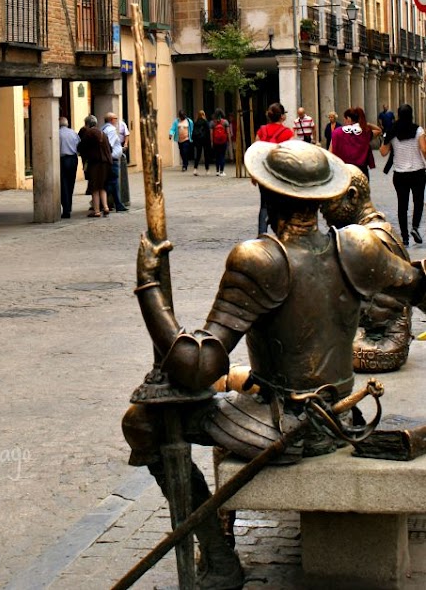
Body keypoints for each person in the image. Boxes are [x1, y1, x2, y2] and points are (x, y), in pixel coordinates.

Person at [123, 140, 426, 590]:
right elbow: (419, 286)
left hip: (286, 426)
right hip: (344, 413)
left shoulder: (261, 259)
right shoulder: (359, 247)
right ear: (325, 198)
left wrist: (149, 286)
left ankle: (221, 559)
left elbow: (197, 366)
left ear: (266, 193)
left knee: (143, 422)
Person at [322, 165, 413, 373]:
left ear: (352, 196)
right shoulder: (374, 230)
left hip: (381, 348)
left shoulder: (367, 239)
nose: (323, 210)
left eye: (329, 202)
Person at [380, 103, 426, 247]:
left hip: (400, 174)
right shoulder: (418, 130)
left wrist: (386, 137)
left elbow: (383, 152)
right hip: (418, 172)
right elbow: (424, 149)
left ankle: (405, 237)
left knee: (402, 205)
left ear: (398, 115)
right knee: (418, 202)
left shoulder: (392, 131)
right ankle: (415, 227)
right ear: (411, 114)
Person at [253, 102, 293, 234]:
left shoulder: (261, 131)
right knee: (282, 204)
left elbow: (255, 153)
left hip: (264, 174)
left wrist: (253, 174)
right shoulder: (287, 133)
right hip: (280, 175)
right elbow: (291, 156)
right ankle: (282, 234)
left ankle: (262, 234)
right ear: (282, 117)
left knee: (264, 204)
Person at [330, 106, 381, 179]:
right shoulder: (365, 132)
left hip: (344, 170)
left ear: (349, 119)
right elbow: (379, 130)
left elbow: (330, 152)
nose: (344, 121)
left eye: (345, 118)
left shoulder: (337, 132)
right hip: (361, 171)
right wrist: (367, 124)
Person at [78, 115, 112, 218]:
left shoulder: (88, 133)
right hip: (106, 163)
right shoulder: (102, 133)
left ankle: (96, 210)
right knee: (102, 186)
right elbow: (110, 148)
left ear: (87, 124)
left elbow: (81, 147)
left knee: (94, 187)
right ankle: (105, 207)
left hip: (95, 163)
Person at [102, 112, 126, 212]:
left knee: (113, 183)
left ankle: (117, 204)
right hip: (112, 160)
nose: (117, 120)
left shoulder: (103, 128)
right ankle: (100, 201)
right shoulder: (111, 130)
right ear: (111, 120)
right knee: (112, 183)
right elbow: (109, 145)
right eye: (116, 118)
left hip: (110, 159)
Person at [59, 116, 80, 219]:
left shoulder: (57, 133)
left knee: (63, 185)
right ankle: (69, 207)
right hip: (73, 159)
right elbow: (78, 145)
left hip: (62, 160)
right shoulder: (73, 132)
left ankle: (66, 209)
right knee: (71, 183)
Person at [210, 108, 230, 176]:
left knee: (217, 156)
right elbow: (228, 132)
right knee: (222, 156)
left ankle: (217, 171)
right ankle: (222, 171)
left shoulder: (212, 122)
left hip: (216, 142)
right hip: (223, 142)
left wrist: (212, 142)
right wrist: (229, 140)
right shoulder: (225, 122)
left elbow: (211, 133)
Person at [191, 109, 211, 175]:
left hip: (198, 141)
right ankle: (207, 170)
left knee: (198, 155)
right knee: (206, 155)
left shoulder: (196, 122)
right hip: (205, 140)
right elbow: (208, 131)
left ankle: (195, 169)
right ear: (204, 115)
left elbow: (194, 132)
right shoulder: (205, 122)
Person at [117, 118, 131, 209]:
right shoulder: (109, 127)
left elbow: (127, 134)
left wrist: (125, 144)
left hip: (121, 145)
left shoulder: (122, 124)